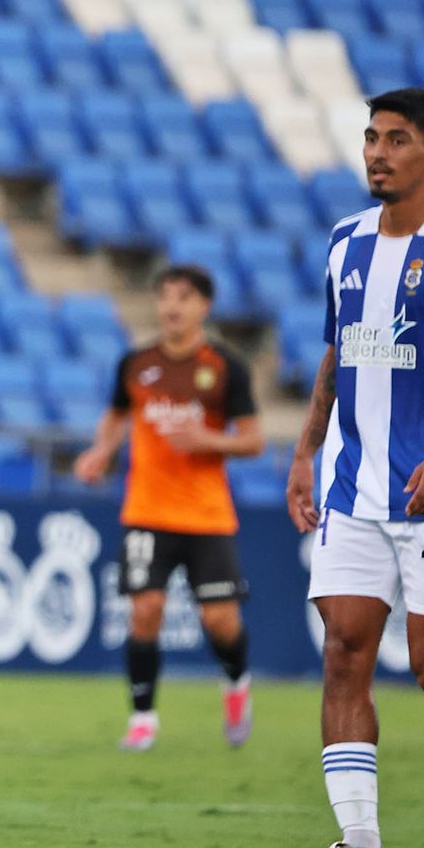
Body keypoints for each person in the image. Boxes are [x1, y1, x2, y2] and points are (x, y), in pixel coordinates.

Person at [286, 87, 424, 848]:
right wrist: (304, 450)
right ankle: (360, 843)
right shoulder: (344, 241)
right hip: (353, 488)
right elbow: (337, 353)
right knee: (345, 650)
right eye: (371, 138)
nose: (378, 152)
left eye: (397, 139)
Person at [74, 265, 264, 752]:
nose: (172, 307)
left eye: (183, 297)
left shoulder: (224, 367)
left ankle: (237, 684)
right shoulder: (135, 365)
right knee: (145, 610)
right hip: (147, 512)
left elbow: (254, 440)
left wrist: (207, 438)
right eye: (164, 297)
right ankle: (143, 720)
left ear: (204, 305)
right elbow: (117, 415)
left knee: (220, 621)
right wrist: (102, 450)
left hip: (206, 516)